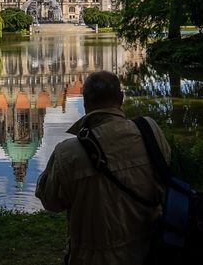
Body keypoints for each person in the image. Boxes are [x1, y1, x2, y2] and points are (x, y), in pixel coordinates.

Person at [36, 70, 171, 265]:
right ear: (121, 98)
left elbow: (51, 202)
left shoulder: (68, 153)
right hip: (152, 250)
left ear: (85, 102)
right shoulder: (150, 131)